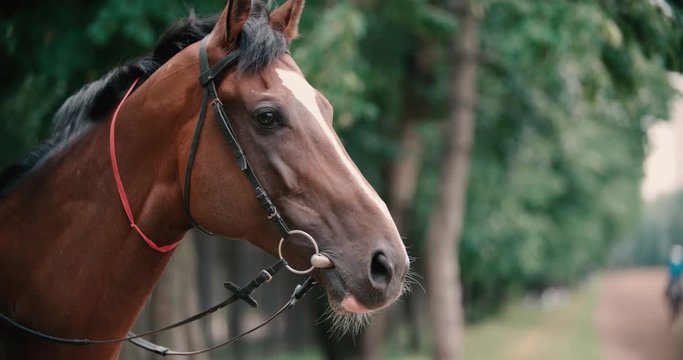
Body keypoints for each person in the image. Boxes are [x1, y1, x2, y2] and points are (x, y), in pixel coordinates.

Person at [667, 244, 683, 316]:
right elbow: (669, 270)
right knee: (668, 289)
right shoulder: (671, 261)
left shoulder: (681, 261)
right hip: (673, 278)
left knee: (680, 290)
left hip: (678, 279)